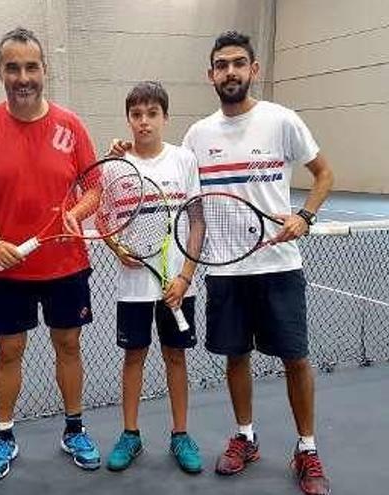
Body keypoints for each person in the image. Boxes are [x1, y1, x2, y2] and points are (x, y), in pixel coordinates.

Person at [112, 31, 335, 495]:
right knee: (236, 358)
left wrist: (305, 216)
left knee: (296, 359)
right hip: (225, 270)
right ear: (210, 74)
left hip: (279, 264)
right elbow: (165, 174)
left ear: (254, 69)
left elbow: (324, 173)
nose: (230, 71)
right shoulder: (198, 135)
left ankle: (307, 448)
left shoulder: (282, 120)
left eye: (238, 63)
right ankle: (245, 437)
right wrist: (123, 154)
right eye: (221, 65)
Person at [0, 27, 101, 481]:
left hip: (65, 264)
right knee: (9, 351)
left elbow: (93, 187)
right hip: (8, 267)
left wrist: (77, 211)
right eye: (13, 67)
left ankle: (74, 428)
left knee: (69, 344)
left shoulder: (71, 124)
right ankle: (3, 435)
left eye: (31, 67)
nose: (23, 76)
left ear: (45, 70)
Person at [102, 81, 204, 474]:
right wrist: (116, 248)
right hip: (133, 289)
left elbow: (196, 220)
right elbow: (104, 220)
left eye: (151, 114)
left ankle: (181, 435)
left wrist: (185, 276)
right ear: (129, 119)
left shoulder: (183, 161)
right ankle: (130, 435)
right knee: (134, 357)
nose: (143, 122)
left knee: (176, 357)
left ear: (165, 117)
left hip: (178, 284)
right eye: (136, 115)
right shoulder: (115, 166)